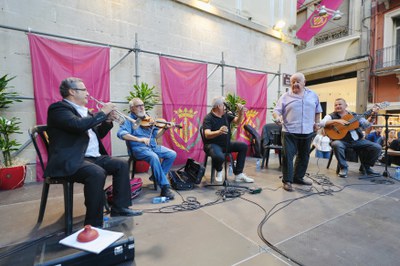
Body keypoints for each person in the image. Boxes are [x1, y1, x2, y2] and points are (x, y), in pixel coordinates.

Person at [45, 77, 142, 228]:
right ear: (72, 91)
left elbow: (97, 134)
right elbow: (77, 126)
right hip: (72, 159)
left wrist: (107, 121)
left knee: (121, 164)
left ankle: (119, 208)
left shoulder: (87, 113)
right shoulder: (59, 109)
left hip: (92, 157)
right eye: (84, 90)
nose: (88, 93)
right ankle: (93, 223)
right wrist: (102, 112)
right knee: (96, 173)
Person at [117, 98, 176, 200]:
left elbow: (156, 135)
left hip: (152, 146)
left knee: (172, 154)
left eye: (142, 105)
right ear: (132, 109)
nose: (141, 107)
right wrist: (139, 139)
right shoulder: (129, 120)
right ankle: (164, 187)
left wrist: (165, 128)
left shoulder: (148, 118)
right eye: (138, 106)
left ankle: (156, 177)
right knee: (154, 157)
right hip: (138, 149)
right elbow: (121, 134)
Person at [273, 72, 322, 192]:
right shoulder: (285, 96)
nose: (295, 84)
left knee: (304, 156)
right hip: (289, 131)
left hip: (308, 131)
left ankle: (298, 177)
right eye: (292, 82)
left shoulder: (313, 95)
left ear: (304, 82)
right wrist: (277, 117)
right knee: (288, 156)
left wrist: (317, 123)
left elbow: (317, 111)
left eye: (297, 81)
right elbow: (276, 111)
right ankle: (287, 181)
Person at [320, 98, 382, 178]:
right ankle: (343, 167)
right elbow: (321, 123)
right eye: (336, 105)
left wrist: (373, 115)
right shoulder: (331, 116)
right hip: (341, 141)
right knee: (336, 144)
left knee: (377, 147)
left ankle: (366, 167)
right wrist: (338, 121)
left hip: (357, 141)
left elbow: (365, 125)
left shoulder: (354, 115)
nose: (337, 106)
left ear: (346, 106)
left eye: (340, 104)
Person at [202, 96, 254, 183]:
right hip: (212, 144)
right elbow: (207, 134)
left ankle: (238, 174)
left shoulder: (226, 115)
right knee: (219, 156)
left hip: (226, 144)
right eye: (224, 104)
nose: (226, 107)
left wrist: (241, 112)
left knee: (243, 146)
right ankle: (219, 170)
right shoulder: (208, 118)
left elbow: (237, 122)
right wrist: (219, 132)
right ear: (219, 106)